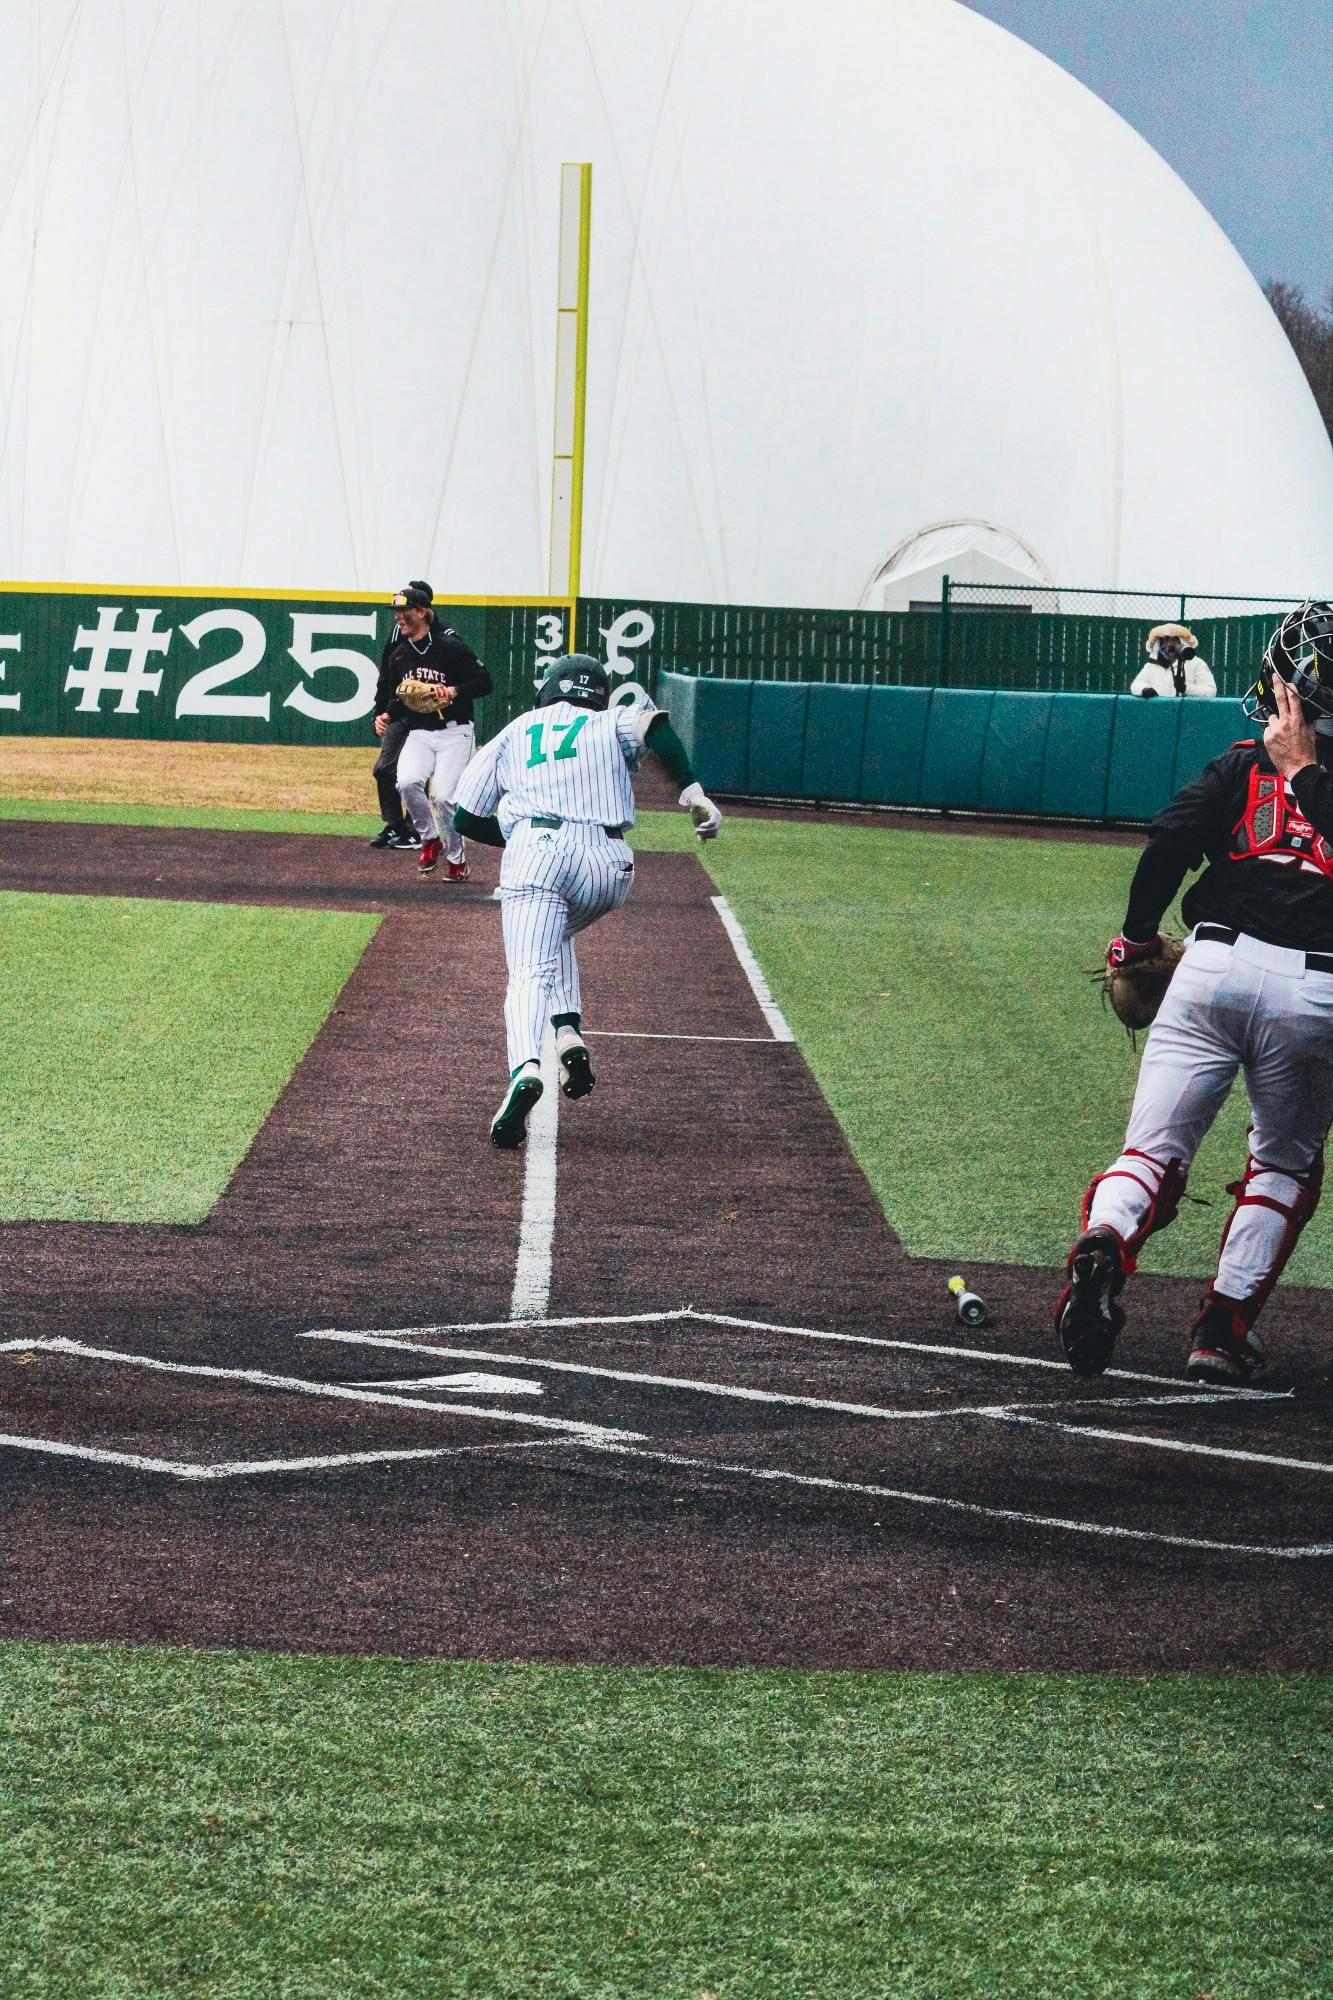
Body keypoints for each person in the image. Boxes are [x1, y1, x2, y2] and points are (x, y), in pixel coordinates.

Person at [1057, 600, 1333, 1386]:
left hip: (1209, 973)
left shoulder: (1241, 764)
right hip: (1313, 991)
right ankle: (1220, 1328)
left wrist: (1137, 938)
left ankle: (1105, 1242)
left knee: (1149, 1153)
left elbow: (1168, 844)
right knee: (1283, 1164)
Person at [452, 653, 723, 1148]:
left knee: (529, 969)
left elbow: (465, 817)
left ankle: (525, 1069)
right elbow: (655, 726)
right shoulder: (607, 721)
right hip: (610, 862)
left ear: (549, 689)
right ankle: (568, 1032)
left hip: (537, 850)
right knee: (552, 931)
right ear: (598, 694)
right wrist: (693, 793)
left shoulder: (517, 729)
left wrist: (518, 837)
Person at [374, 583, 493, 878]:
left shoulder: (449, 646)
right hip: (419, 732)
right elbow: (399, 697)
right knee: (406, 782)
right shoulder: (399, 655)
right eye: (396, 612)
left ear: (422, 611)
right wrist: (386, 714)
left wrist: (452, 691)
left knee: (443, 798)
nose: (398, 617)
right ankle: (429, 838)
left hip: (455, 733)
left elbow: (484, 682)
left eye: (404, 611)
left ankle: (457, 861)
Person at [368, 579, 432, 850]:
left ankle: (415, 829)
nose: (400, 615)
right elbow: (387, 675)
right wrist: (381, 710)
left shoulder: (441, 637)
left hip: (426, 715)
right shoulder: (398, 634)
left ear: (423, 609)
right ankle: (394, 825)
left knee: (417, 774)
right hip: (398, 710)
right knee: (385, 768)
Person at [1130, 623, 1216, 699]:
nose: (1170, 644)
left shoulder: (1197, 663)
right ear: (1160, 643)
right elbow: (1136, 684)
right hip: (1160, 711)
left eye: (1175, 639)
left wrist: (1186, 688)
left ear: (1183, 642)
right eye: (1166, 639)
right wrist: (1145, 690)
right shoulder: (1152, 665)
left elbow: (1211, 692)